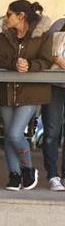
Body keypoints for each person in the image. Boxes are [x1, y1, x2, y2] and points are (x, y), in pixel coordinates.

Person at [0, 0, 52, 191]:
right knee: (9, 135)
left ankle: (28, 168)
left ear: (21, 16)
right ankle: (14, 174)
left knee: (16, 133)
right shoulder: (3, 37)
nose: (5, 18)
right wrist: (15, 63)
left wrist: (30, 65)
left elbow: (46, 61)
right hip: (6, 91)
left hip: (30, 92)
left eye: (9, 14)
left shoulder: (42, 36)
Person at [45, 16, 65, 191]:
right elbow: (46, 51)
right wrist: (58, 60)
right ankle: (52, 175)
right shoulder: (60, 24)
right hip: (55, 86)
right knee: (52, 131)